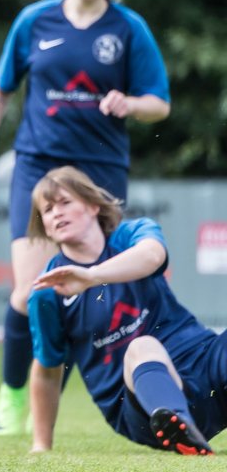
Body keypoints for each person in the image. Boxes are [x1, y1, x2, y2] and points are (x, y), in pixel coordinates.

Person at [0, 0, 170, 437]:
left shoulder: (128, 30)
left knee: (83, 295)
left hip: (99, 175)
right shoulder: (35, 21)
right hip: (38, 169)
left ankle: (46, 404)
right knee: (32, 292)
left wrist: (132, 103)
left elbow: (159, 104)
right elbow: (0, 88)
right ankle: (14, 393)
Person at [26, 166, 220, 455]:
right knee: (141, 346)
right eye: (48, 209)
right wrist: (41, 446)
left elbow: (153, 255)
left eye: (65, 202)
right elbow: (47, 369)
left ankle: (187, 428)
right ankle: (179, 427)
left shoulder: (132, 234)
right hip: (142, 407)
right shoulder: (48, 291)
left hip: (200, 361)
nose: (56, 213)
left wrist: (92, 276)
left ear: (93, 206)